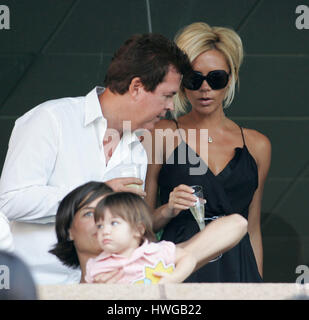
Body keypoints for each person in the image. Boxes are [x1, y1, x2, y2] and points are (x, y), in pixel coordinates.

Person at [0, 33, 192, 284]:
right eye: (167, 95)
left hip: (100, 289)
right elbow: (9, 201)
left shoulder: (136, 148)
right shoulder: (51, 119)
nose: (171, 107)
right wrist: (95, 195)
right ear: (136, 87)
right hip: (33, 286)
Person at [145, 22, 271, 282]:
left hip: (240, 269)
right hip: (180, 268)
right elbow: (141, 226)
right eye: (194, 79)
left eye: (216, 79)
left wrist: (260, 289)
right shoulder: (161, 133)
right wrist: (168, 209)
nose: (205, 88)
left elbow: (254, 228)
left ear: (232, 77)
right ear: (181, 82)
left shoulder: (257, 145)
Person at [50, 181, 247, 283]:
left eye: (114, 218)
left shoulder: (151, 259)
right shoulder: (61, 290)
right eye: (90, 214)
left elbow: (237, 223)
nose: (102, 224)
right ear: (68, 231)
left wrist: (174, 270)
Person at [85, 192, 196, 284]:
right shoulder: (97, 266)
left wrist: (174, 278)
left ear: (138, 230)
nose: (105, 231)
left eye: (114, 223)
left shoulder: (156, 251)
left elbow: (188, 257)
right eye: (100, 226)